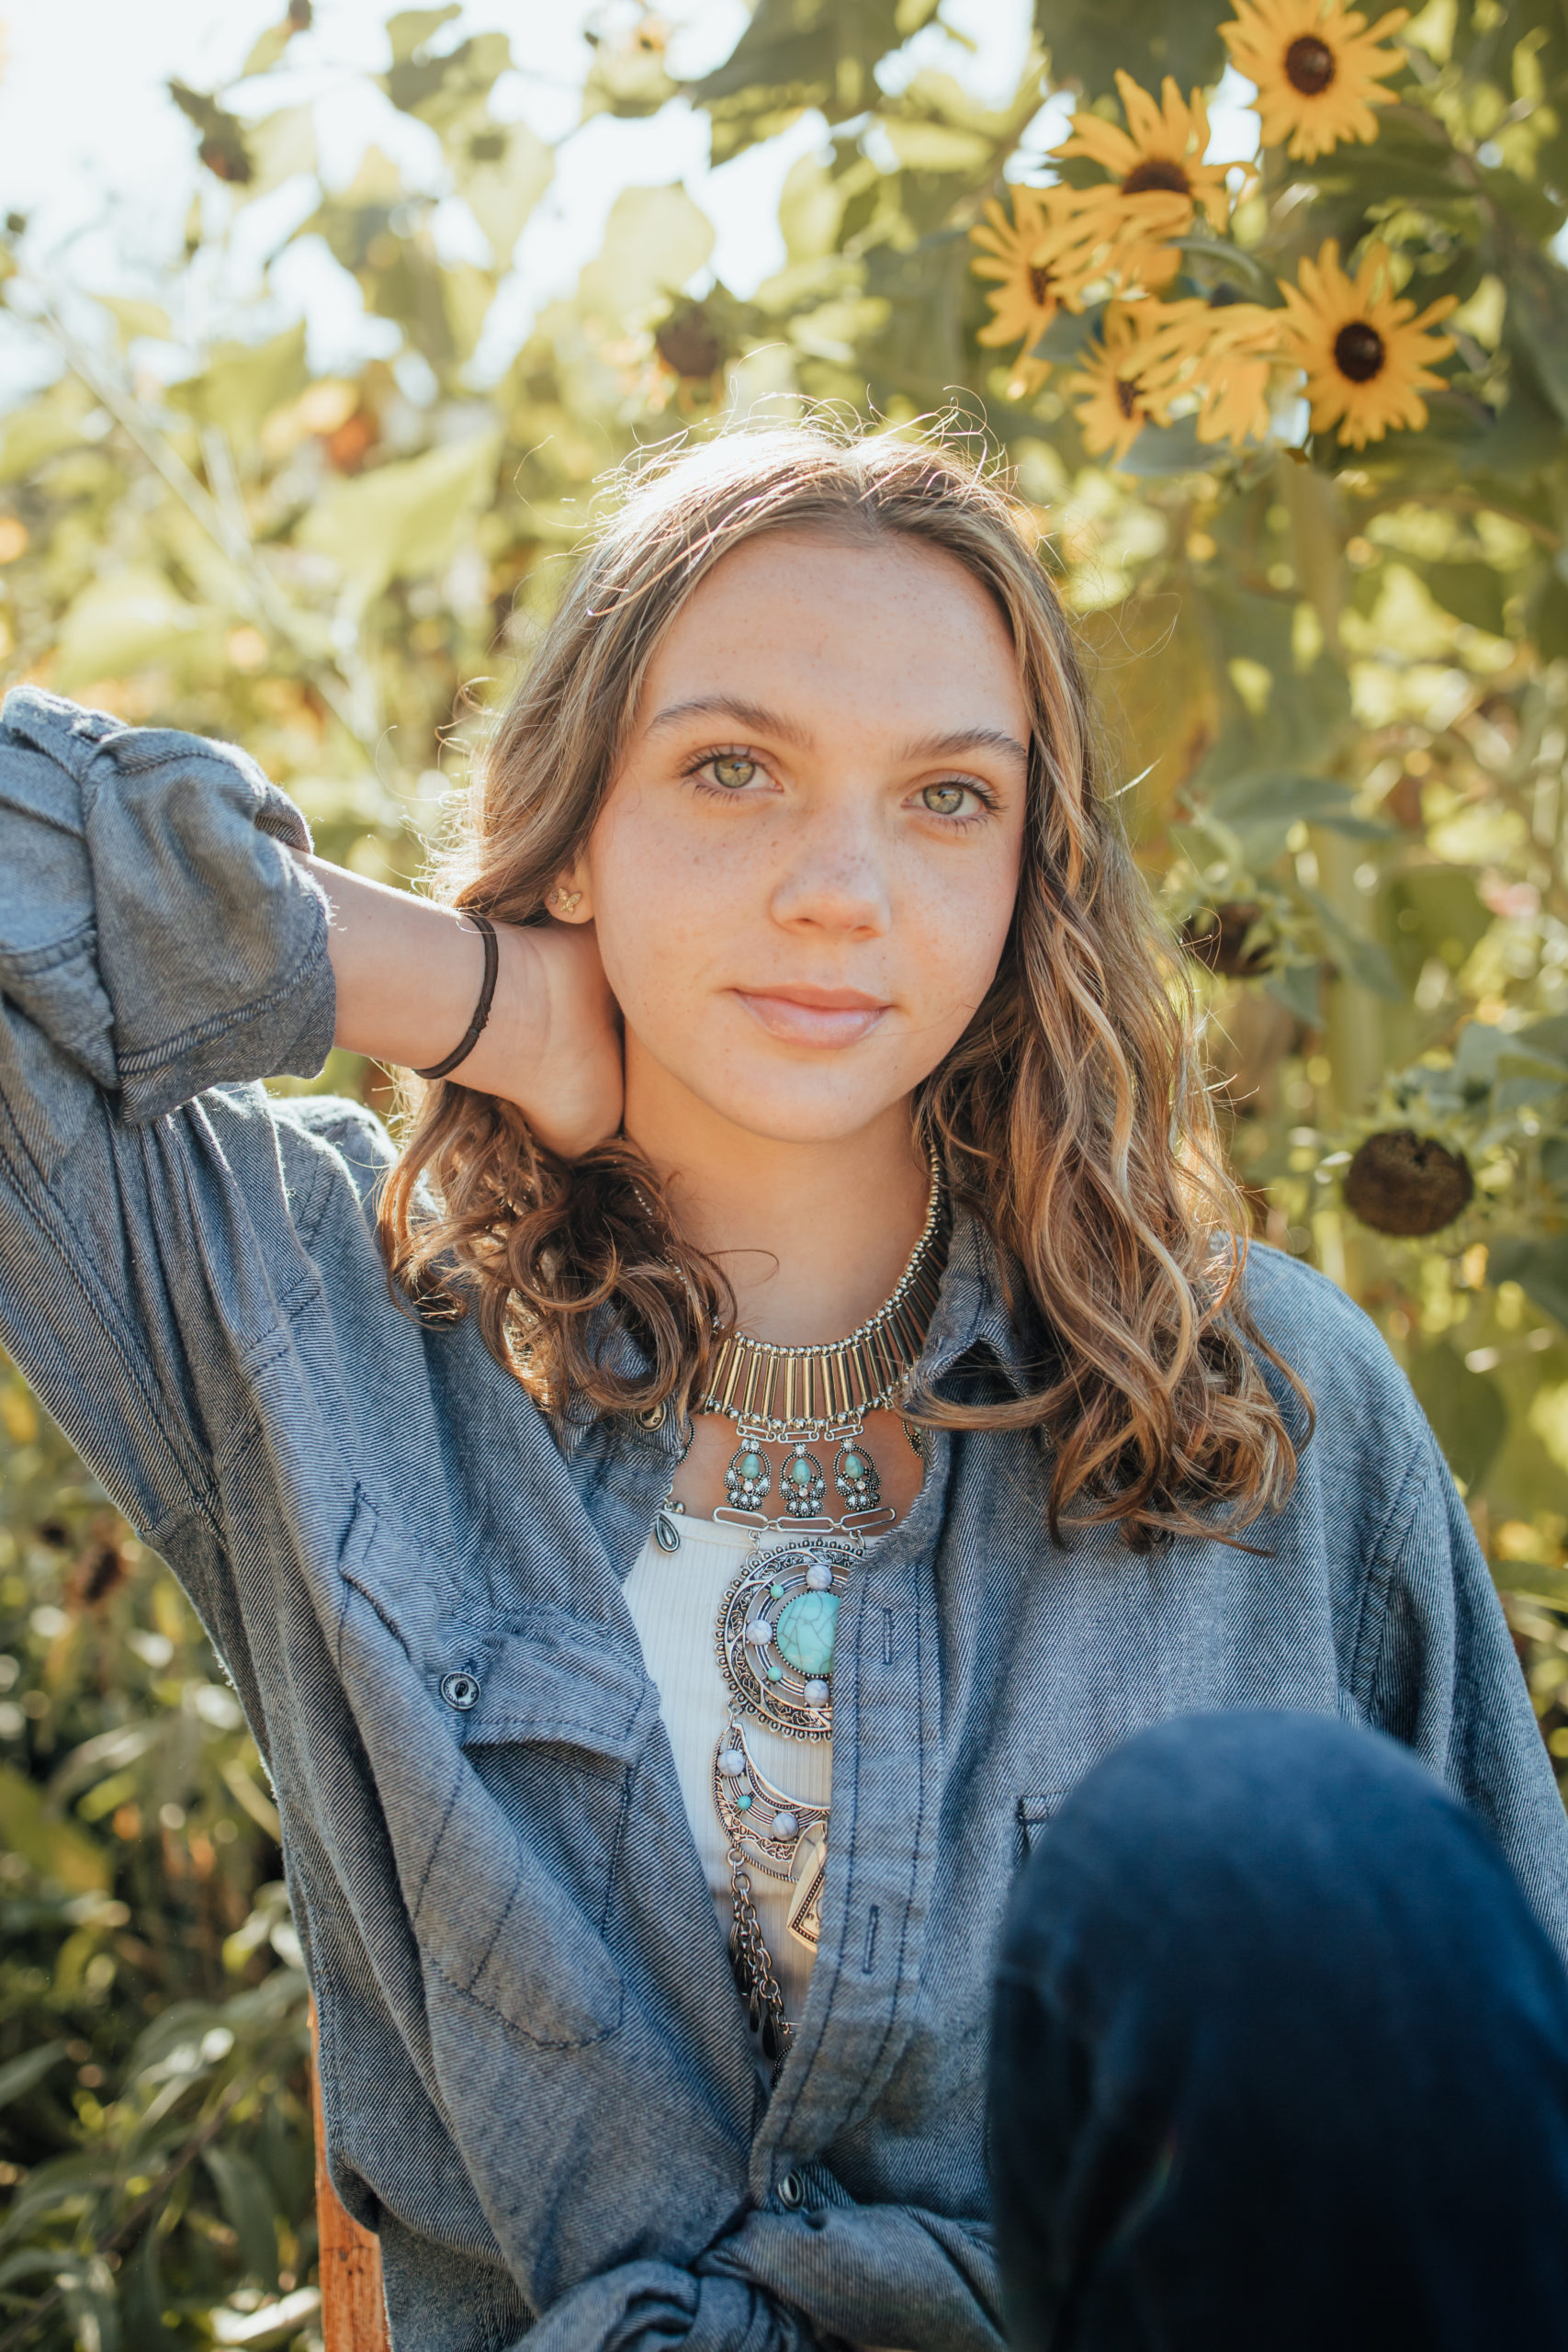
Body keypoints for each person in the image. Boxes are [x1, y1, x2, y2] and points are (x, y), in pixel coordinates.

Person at [2, 422, 1567, 2352]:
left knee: (1245, 1846)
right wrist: (484, 997)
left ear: (1027, 868)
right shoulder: (314, 1321)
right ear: (575, 814)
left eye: (942, 798)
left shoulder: (1258, 1391)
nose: (841, 889)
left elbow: (1510, 2117)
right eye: (728, 768)